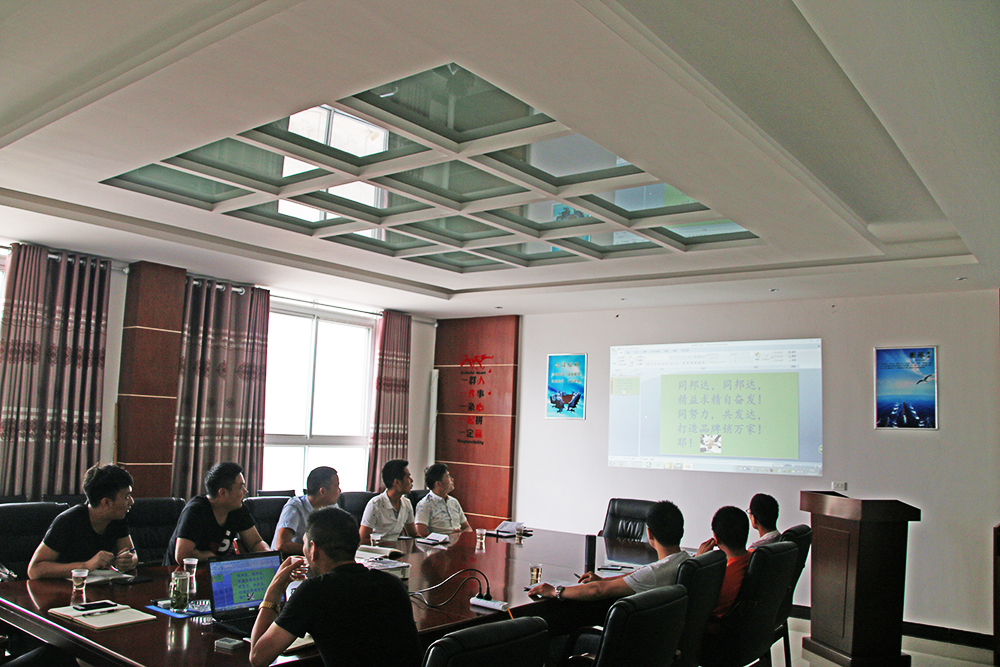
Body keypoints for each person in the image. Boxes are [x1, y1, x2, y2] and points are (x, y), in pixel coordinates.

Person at [248, 506, 422, 667]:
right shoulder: (393, 584)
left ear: (313, 549)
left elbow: (258, 658)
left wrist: (273, 591)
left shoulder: (314, 591)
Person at [528, 500, 690, 601]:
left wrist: (555, 591)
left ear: (649, 534)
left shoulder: (654, 574)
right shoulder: (686, 560)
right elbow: (638, 575)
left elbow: (596, 591)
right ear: (682, 531)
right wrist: (604, 580)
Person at [28, 464, 138, 579]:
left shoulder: (118, 517)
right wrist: (85, 566)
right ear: (106, 503)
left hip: (99, 586)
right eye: (127, 497)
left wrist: (128, 561)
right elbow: (34, 570)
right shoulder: (68, 521)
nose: (132, 502)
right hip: (64, 587)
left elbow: (132, 554)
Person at [166, 462, 268, 564]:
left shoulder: (237, 508)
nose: (245, 491)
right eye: (240, 487)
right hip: (180, 571)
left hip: (216, 569)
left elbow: (256, 543)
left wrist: (270, 555)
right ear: (223, 492)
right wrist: (211, 557)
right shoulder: (195, 511)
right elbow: (182, 556)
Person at [696, 505, 751, 620]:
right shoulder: (756, 557)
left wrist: (697, 563)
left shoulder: (721, 580)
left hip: (714, 628)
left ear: (716, 537)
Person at [272, 466, 341, 556]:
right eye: (337, 486)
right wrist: (318, 550)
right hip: (289, 559)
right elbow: (282, 545)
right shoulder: (295, 507)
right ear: (323, 491)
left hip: (314, 559)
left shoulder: (332, 507)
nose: (340, 490)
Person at [359, 459, 416, 544]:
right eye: (408, 477)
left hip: (396, 549)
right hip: (377, 549)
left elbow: (413, 534)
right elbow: (363, 538)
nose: (411, 481)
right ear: (397, 482)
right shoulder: (375, 504)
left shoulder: (407, 503)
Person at [414, 463, 471, 537]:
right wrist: (448, 536)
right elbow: (420, 533)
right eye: (448, 476)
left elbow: (467, 527)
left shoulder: (454, 502)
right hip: (439, 543)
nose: (452, 479)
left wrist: (461, 534)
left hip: (458, 542)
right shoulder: (425, 504)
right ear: (439, 484)